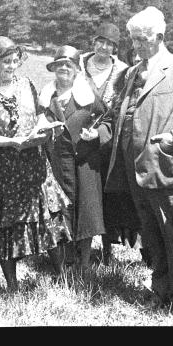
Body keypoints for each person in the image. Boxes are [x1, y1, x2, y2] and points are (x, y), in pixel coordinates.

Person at [105, 6, 173, 314]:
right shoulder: (131, 72)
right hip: (134, 166)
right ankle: (161, 290)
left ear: (160, 37)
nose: (135, 45)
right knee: (152, 235)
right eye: (132, 39)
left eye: (140, 40)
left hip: (164, 165)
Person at [0, 36, 72, 292]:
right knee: (6, 225)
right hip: (2, 170)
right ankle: (12, 285)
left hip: (34, 164)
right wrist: (9, 142)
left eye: (15, 61)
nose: (12, 67)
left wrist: (45, 128)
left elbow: (38, 115)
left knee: (47, 219)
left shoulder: (26, 84)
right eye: (6, 62)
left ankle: (62, 275)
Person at [41, 45, 112, 272]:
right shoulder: (45, 97)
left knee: (86, 208)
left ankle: (84, 262)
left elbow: (108, 120)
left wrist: (96, 134)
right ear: (53, 68)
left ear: (76, 69)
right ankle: (63, 261)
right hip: (56, 161)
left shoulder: (89, 95)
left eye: (68, 65)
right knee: (60, 209)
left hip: (84, 162)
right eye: (59, 64)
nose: (64, 68)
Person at [80, 22, 143, 266]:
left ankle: (108, 248)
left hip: (109, 143)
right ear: (93, 42)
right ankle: (80, 246)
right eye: (100, 42)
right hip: (81, 140)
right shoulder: (79, 66)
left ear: (115, 48)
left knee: (110, 196)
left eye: (110, 44)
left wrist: (103, 133)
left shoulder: (124, 72)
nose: (104, 47)